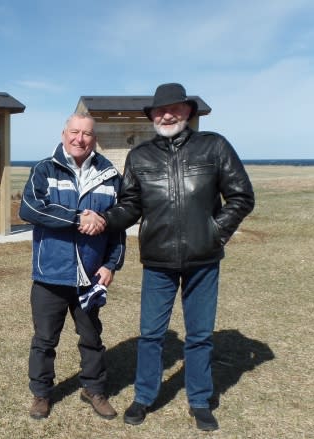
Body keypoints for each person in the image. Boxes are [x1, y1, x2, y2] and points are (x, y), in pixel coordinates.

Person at [80, 83, 255, 431]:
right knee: (150, 334)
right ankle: (145, 396)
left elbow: (241, 196)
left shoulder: (214, 146)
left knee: (200, 335)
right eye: (160, 110)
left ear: (187, 111)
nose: (167, 114)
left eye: (174, 108)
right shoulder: (141, 156)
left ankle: (200, 400)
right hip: (158, 261)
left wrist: (215, 232)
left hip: (203, 261)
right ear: (152, 116)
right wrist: (103, 218)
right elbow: (130, 206)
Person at [19, 112, 127, 420]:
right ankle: (41, 394)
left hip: (90, 275)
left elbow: (116, 226)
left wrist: (111, 264)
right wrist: (77, 218)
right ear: (64, 133)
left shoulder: (109, 174)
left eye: (87, 134)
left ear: (95, 139)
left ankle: (94, 389)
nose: (80, 139)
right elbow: (29, 209)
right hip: (50, 273)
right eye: (75, 132)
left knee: (92, 338)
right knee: (44, 340)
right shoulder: (44, 169)